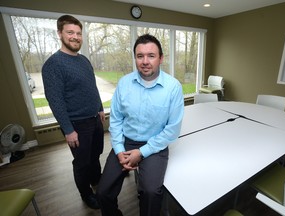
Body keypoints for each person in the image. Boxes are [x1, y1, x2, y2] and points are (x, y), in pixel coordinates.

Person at [97, 34, 184, 216]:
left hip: (155, 145)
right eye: (140, 56)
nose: (145, 61)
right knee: (103, 192)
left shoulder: (173, 87)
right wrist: (119, 149)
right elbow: (116, 119)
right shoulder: (124, 84)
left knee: (151, 193)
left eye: (151, 55)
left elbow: (172, 129)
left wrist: (142, 153)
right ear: (135, 58)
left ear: (161, 58)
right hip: (126, 142)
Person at [42, 15, 105, 210]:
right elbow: (56, 101)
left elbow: (92, 87)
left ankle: (97, 180)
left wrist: (100, 108)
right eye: (70, 32)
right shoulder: (53, 65)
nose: (75, 37)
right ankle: (86, 194)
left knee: (96, 155)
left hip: (95, 119)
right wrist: (68, 130)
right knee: (82, 163)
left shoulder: (84, 60)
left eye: (78, 33)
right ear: (60, 33)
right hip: (77, 125)